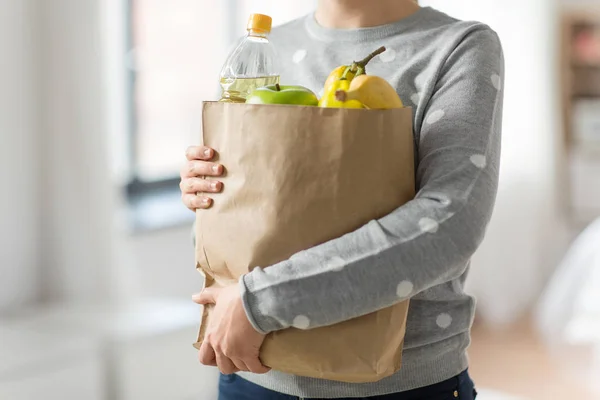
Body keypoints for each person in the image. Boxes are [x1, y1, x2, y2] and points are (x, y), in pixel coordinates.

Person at [180, 0, 504, 398]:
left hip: (400, 386)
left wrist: (259, 302)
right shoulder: (262, 48)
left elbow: (449, 225)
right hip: (251, 376)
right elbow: (236, 227)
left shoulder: (458, 46)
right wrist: (206, 189)